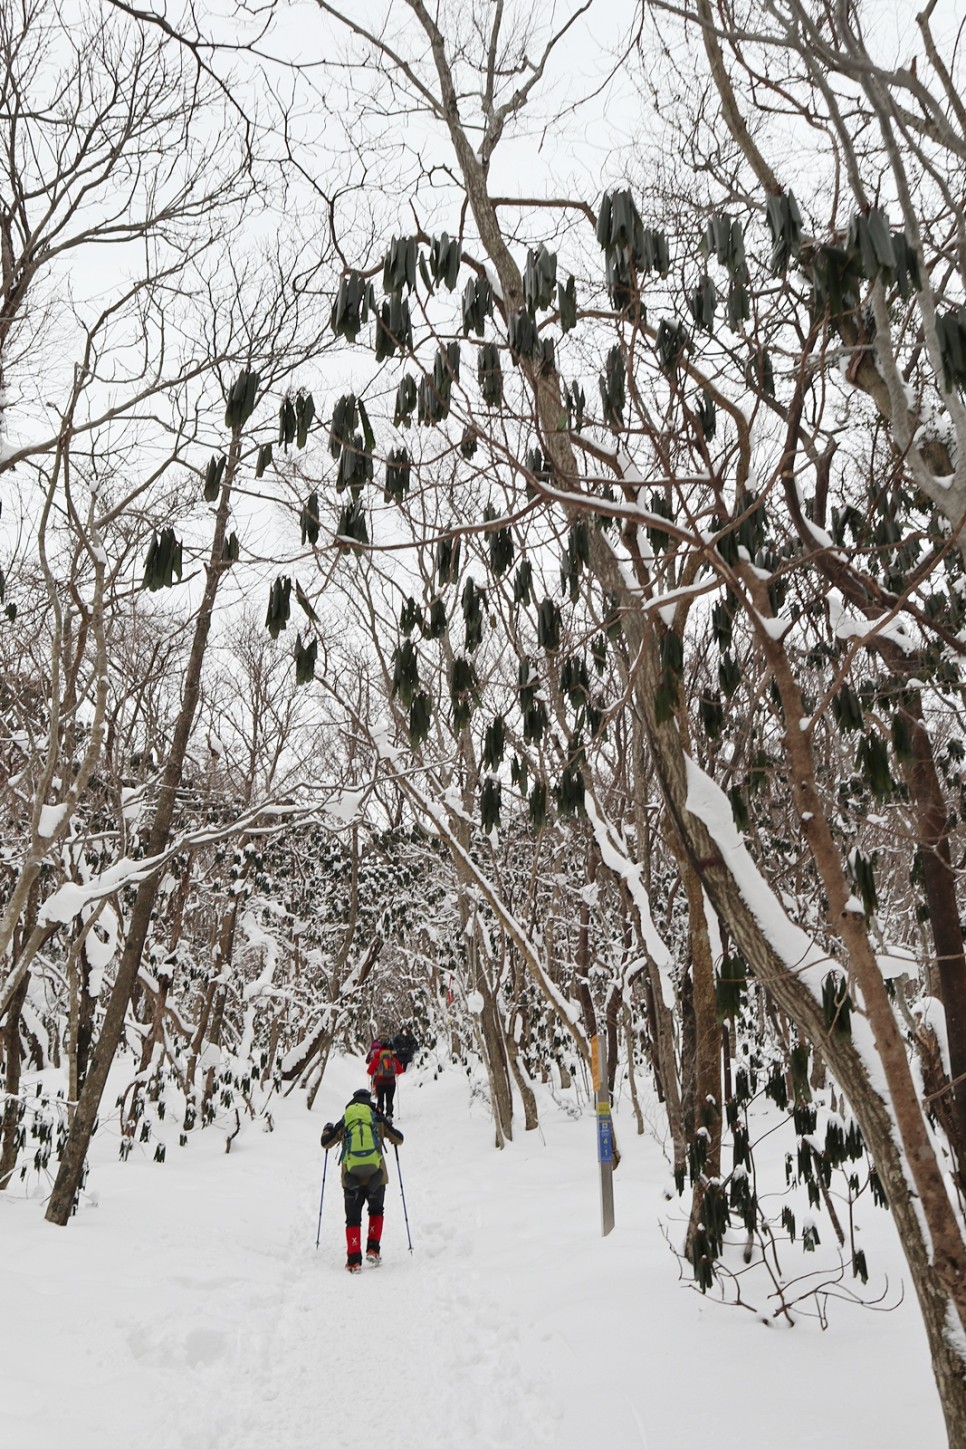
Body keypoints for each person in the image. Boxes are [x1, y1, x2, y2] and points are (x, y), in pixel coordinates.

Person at [321, 1088, 404, 1272]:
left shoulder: (346, 1119)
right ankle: (373, 1250)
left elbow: (325, 1143)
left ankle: (353, 1260)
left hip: (351, 1178)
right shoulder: (376, 1118)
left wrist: (327, 1129)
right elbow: (399, 1139)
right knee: (376, 1211)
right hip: (377, 1176)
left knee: (352, 1218)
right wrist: (387, 1127)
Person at [367, 1041, 403, 1117]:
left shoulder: (376, 1059)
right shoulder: (393, 1059)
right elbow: (400, 1070)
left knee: (380, 1100)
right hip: (391, 1083)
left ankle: (380, 1115)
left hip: (379, 1083)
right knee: (389, 1100)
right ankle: (389, 1115)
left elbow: (369, 1072)